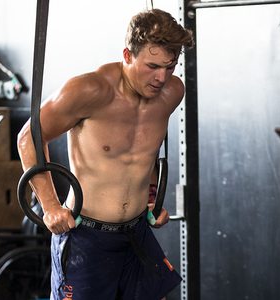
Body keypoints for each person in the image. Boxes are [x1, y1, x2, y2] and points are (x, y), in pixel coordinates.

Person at [17, 8, 194, 300]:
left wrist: (151, 199)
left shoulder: (172, 92)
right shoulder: (89, 90)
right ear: (127, 55)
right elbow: (28, 138)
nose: (161, 77)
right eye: (152, 66)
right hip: (87, 237)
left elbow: (142, 151)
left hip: (136, 232)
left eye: (170, 66)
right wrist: (50, 207)